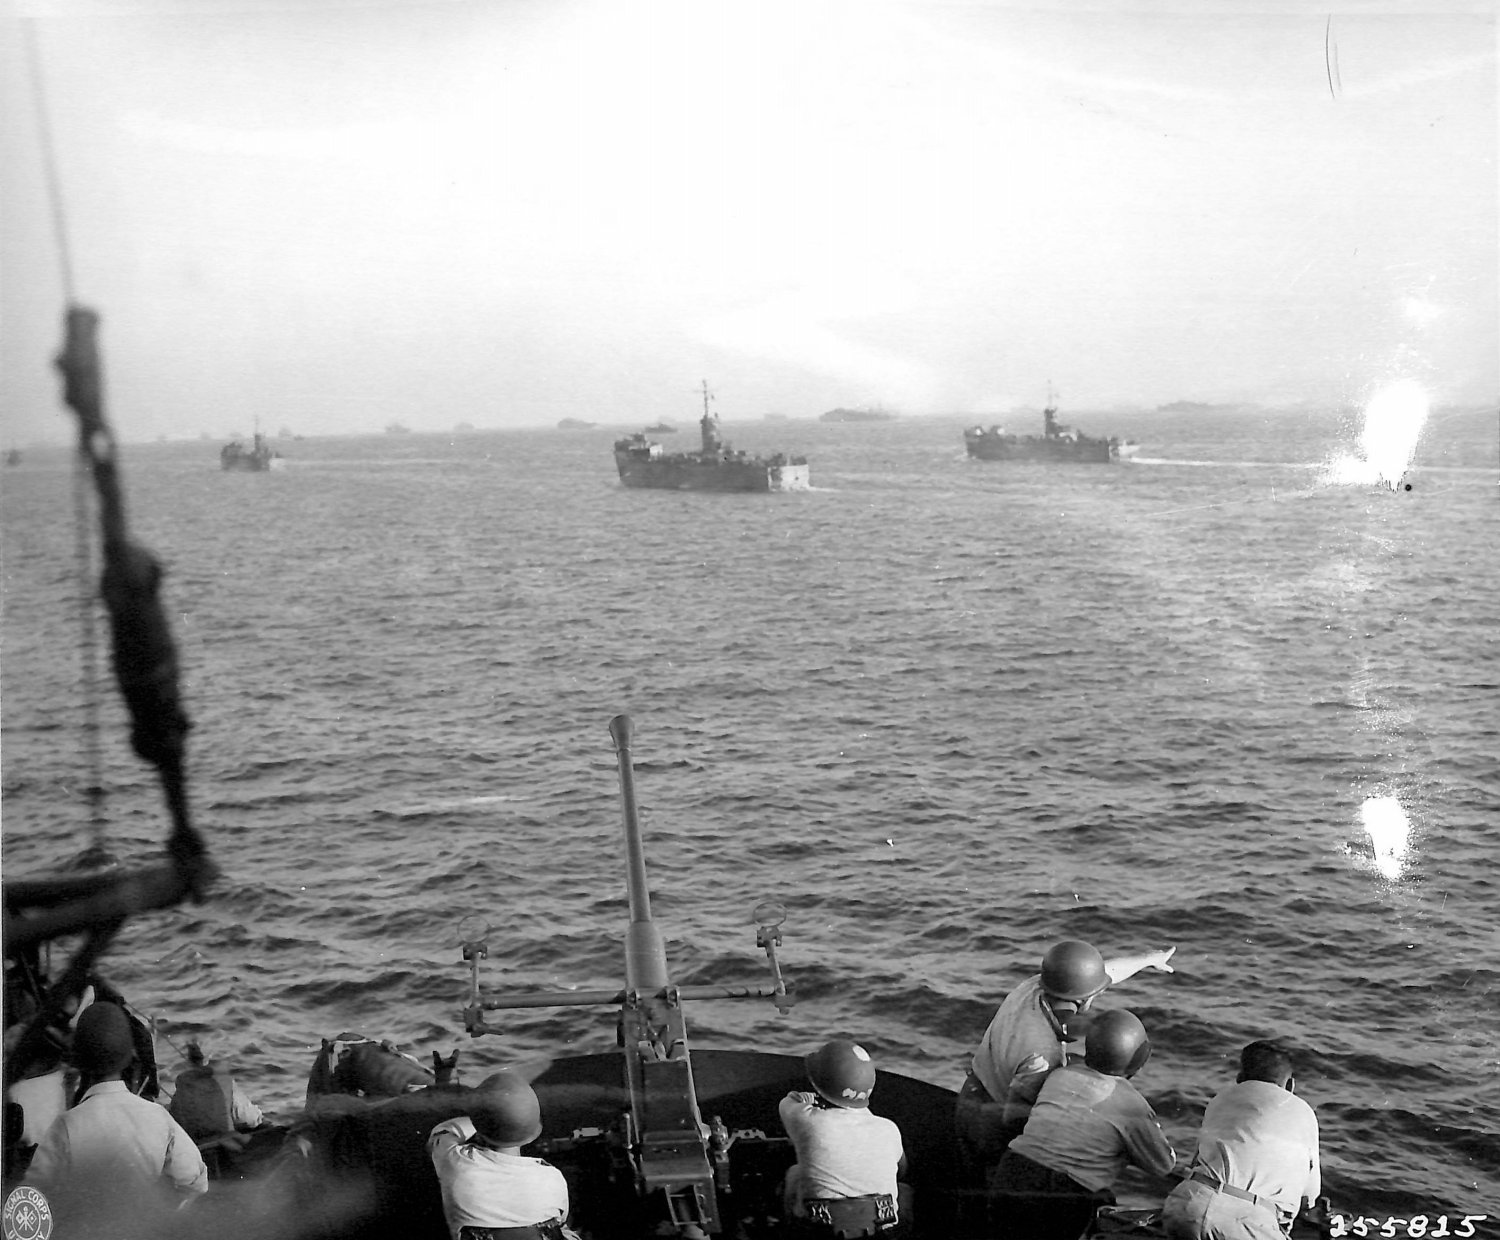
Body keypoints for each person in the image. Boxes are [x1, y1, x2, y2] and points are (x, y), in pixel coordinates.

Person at [956, 939, 1176, 1178]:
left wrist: (1148, 959)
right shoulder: (1043, 1055)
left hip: (970, 1093)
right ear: (1085, 1000)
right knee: (986, 1184)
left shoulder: (1035, 986)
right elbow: (1015, 1117)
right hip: (989, 1122)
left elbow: (1099, 973)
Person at [990, 1009, 1176, 1239]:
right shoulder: (1132, 1106)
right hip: (1062, 1197)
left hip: (1011, 1173)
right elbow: (1163, 1165)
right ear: (1138, 1060)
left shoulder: (1060, 1076)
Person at [25, 1000, 208, 1230]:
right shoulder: (157, 1116)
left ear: (79, 1062)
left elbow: (32, 1198)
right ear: (128, 1059)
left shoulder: (65, 1126)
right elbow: (195, 1182)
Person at [1161, 1041, 1320, 1240]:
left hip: (1185, 1205)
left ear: (1239, 1079)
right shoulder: (1303, 1112)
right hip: (1243, 1222)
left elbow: (1196, 1162)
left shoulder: (1220, 1099)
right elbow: (1309, 1196)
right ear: (1290, 1085)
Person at [779, 1039, 910, 1237]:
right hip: (879, 1230)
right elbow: (901, 1171)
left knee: (794, 1173)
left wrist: (808, 1098)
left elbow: (787, 1102)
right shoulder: (889, 1129)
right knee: (904, 1191)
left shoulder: (806, 1119)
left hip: (818, 1230)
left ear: (819, 1086)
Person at [427, 1069, 572, 1240]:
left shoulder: (456, 1164)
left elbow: (443, 1132)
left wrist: (486, 1118)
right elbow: (560, 1220)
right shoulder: (553, 1178)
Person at [169, 1040, 264, 1140]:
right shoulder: (224, 1081)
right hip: (221, 1142)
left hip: (194, 1144)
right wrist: (258, 1116)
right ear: (209, 1058)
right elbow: (249, 1119)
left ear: (189, 1060)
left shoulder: (182, 1085)